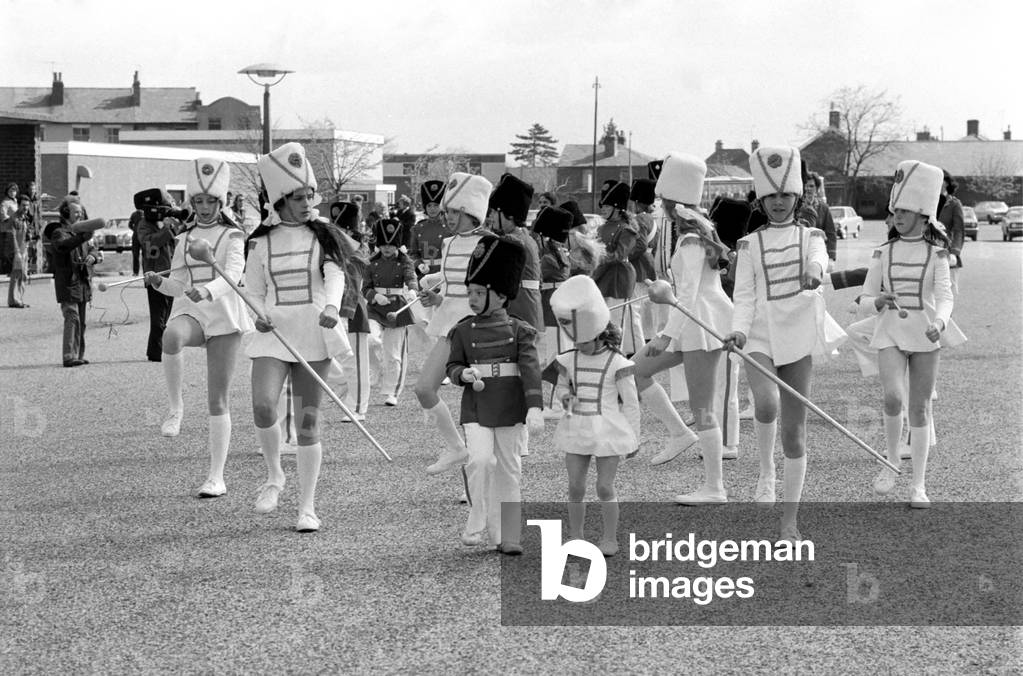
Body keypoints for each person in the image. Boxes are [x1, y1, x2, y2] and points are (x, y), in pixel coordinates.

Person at [722, 146, 846, 541]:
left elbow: (820, 258)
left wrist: (814, 268)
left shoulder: (811, 236)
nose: (778, 203)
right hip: (758, 333)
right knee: (766, 402)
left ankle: (789, 520)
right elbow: (743, 296)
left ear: (797, 197)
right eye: (771, 196)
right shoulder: (749, 245)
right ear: (761, 198)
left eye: (785, 195)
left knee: (795, 431)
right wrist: (738, 330)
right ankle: (766, 471)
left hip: (798, 336)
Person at [244, 142, 356, 533]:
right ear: (279, 201)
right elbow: (252, 290)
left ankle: (307, 506)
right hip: (273, 333)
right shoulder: (260, 242)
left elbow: (335, 275)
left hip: (313, 330)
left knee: (308, 421)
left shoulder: (322, 236)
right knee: (262, 406)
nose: (307, 202)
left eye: (309, 195)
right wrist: (256, 315)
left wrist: (330, 307)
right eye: (297, 197)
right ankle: (275, 476)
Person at [848, 161, 966, 508]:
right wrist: (876, 301)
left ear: (923, 213)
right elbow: (866, 298)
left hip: (926, 335)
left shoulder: (938, 253)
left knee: (920, 407)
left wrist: (940, 324)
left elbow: (945, 298)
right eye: (895, 209)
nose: (897, 215)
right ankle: (891, 461)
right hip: (890, 333)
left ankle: (919, 485)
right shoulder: (883, 252)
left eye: (905, 210)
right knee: (892, 399)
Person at [143, 158, 253, 498]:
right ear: (192, 203)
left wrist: (208, 290)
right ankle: (175, 409)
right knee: (171, 336)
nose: (204, 208)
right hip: (193, 310)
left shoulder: (233, 235)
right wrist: (159, 282)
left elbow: (234, 274)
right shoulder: (184, 237)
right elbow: (178, 281)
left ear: (221, 202)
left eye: (210, 201)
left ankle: (216, 476)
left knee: (217, 399)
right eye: (199, 202)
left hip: (224, 314)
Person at [633, 154, 731, 501]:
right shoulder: (694, 231)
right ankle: (678, 433)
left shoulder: (691, 238)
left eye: (662, 200)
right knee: (637, 369)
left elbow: (688, 296)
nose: (659, 205)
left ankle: (714, 486)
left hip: (701, 324)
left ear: (671, 201)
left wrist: (664, 335)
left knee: (703, 406)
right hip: (690, 321)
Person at [446, 234, 542, 554]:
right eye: (469, 292)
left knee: (510, 468)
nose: (471, 299)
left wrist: (535, 407)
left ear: (501, 296)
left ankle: (507, 534)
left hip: (510, 406)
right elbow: (453, 365)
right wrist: (461, 374)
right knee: (480, 460)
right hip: (476, 405)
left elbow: (530, 371)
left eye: (478, 293)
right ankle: (477, 517)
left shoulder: (520, 331)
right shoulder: (462, 330)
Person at [547, 275, 640, 556]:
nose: (580, 345)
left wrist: (634, 438)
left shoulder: (617, 362)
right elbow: (562, 388)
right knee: (575, 487)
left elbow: (632, 403)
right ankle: (576, 536)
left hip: (608, 430)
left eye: (585, 341)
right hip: (577, 427)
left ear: (599, 333)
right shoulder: (569, 359)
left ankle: (610, 537)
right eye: (577, 340)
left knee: (603, 486)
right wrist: (567, 402)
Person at [415, 172, 494, 475]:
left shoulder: (489, 243)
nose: (446, 216)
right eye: (446, 211)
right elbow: (450, 288)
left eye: (452, 211)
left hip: (481, 330)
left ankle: (478, 470)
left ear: (470, 211)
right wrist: (435, 300)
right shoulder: (448, 244)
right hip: (451, 328)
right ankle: (456, 447)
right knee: (424, 389)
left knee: (479, 401)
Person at [325, 201, 373, 422]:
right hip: (331, 306)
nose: (339, 232)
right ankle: (342, 382)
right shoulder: (328, 245)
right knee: (329, 353)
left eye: (343, 228)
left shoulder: (360, 247)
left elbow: (358, 266)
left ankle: (358, 407)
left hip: (353, 307)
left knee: (357, 361)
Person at [363, 216, 419, 406]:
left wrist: (412, 290)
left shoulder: (404, 261)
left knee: (394, 354)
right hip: (375, 307)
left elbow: (411, 278)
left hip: (396, 306)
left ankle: (392, 391)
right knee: (370, 340)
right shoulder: (371, 262)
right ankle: (377, 368)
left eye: (391, 244)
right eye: (384, 244)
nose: (387, 248)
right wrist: (374, 296)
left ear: (397, 245)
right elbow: (365, 287)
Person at [50, 195, 104, 367]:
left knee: (81, 321)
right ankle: (68, 356)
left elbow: (94, 250)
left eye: (81, 212)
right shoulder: (60, 233)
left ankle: (78, 354)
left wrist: (92, 257)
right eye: (76, 212)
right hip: (68, 283)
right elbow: (63, 246)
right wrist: (82, 237)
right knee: (72, 317)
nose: (80, 215)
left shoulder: (82, 235)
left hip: (82, 283)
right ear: (66, 213)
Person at [592, 180, 644, 356]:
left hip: (618, 278)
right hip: (602, 276)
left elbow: (619, 255)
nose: (603, 209)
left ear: (617, 207)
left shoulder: (626, 230)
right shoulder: (601, 228)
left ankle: (617, 356)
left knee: (616, 322)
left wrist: (597, 254)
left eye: (606, 206)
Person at [487, 173, 543, 334]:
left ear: (508, 214)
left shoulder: (511, 240)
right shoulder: (525, 237)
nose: (490, 216)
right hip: (528, 304)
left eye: (493, 212)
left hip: (518, 306)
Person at [532, 205, 573, 417]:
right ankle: (562, 403)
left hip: (552, 306)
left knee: (556, 357)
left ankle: (559, 406)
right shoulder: (558, 250)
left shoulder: (548, 253)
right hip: (558, 304)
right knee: (559, 354)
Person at [135, 188, 183, 362]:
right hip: (154, 275)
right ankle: (156, 352)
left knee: (167, 315)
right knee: (158, 317)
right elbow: (149, 243)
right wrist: (168, 230)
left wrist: (178, 225)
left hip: (170, 275)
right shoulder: (144, 224)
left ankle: (156, 349)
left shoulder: (166, 222)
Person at [628, 178, 658, 336]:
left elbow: (639, 245)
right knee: (647, 314)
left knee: (636, 312)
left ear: (637, 202)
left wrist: (624, 258)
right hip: (649, 264)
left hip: (639, 268)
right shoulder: (652, 218)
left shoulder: (639, 219)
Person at [408, 180, 449, 279]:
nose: (432, 209)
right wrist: (419, 264)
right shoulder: (417, 229)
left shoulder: (450, 228)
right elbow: (413, 253)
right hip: (424, 275)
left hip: (444, 274)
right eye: (429, 205)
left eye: (436, 205)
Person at [796, 171, 837, 263]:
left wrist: (831, 258)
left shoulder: (824, 208)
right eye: (805, 186)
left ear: (817, 188)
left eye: (811, 186)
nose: (808, 189)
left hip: (817, 254)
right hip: (798, 254)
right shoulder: (794, 207)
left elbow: (831, 234)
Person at [937, 169, 965, 295]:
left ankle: (948, 314)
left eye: (939, 179)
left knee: (949, 288)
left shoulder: (954, 204)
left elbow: (958, 230)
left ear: (947, 183)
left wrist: (954, 252)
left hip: (947, 250)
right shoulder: (928, 203)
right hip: (928, 249)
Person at [8, 194, 32, 308]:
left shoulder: (26, 217)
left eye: (27, 205)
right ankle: (13, 300)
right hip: (17, 251)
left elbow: (26, 234)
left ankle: (19, 299)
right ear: (19, 205)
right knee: (16, 274)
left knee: (22, 275)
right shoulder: (14, 218)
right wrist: (17, 252)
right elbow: (13, 236)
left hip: (24, 249)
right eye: (23, 205)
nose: (26, 208)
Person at [0, 183, 18, 276]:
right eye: (11, 190)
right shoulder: (5, 202)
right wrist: (13, 219)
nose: (12, 192)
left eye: (14, 190)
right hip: (6, 230)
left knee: (13, 251)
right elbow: (3, 215)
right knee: (6, 252)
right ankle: (5, 270)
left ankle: (11, 271)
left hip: (14, 230)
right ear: (7, 191)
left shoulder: (15, 202)